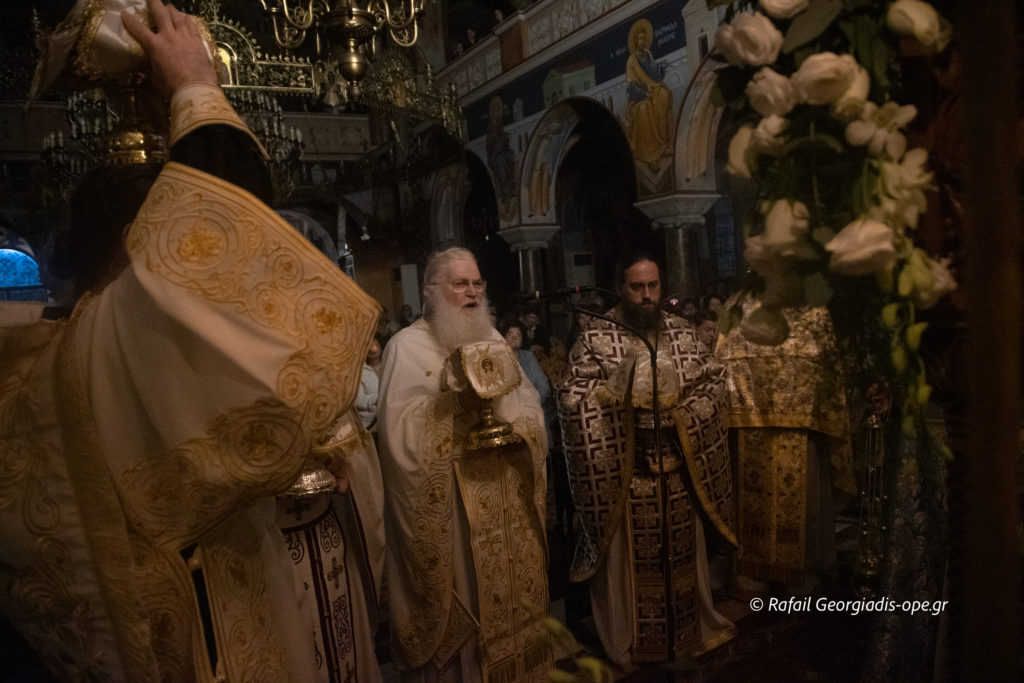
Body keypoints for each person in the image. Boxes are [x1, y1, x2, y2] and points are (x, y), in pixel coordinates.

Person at [0, 2, 380, 680]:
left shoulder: (40, 372)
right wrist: (195, 90)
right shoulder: (113, 351)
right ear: (142, 250)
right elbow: (228, 264)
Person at [377, 247, 552, 681]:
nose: (472, 291)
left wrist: (518, 430)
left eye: (477, 283)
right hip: (453, 506)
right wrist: (454, 404)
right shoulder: (406, 346)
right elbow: (397, 435)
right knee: (470, 601)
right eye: (461, 283)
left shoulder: (493, 339)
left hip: (505, 494)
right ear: (431, 292)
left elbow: (528, 404)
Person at [558, 250, 736, 669]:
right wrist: (612, 401)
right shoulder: (598, 337)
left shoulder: (681, 332)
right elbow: (572, 397)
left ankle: (686, 632)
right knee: (629, 570)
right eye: (636, 287)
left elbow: (714, 382)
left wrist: (682, 416)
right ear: (620, 287)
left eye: (653, 286)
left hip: (678, 469)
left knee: (678, 561)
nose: (646, 296)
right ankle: (630, 640)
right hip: (625, 475)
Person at [715, 293, 854, 595]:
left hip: (802, 432)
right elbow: (722, 365)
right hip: (749, 429)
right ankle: (752, 570)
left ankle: (803, 569)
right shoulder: (737, 307)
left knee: (806, 498)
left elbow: (827, 367)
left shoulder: (812, 308)